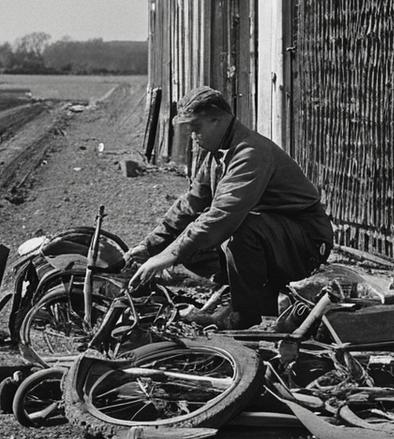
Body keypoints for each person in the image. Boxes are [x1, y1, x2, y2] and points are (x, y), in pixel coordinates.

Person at [125, 86, 334, 329]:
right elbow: (190, 204)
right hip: (275, 238)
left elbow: (222, 217)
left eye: (196, 126)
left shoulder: (251, 153)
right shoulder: (217, 154)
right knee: (192, 239)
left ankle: (249, 319)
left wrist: (166, 257)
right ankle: (247, 292)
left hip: (306, 245)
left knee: (236, 229)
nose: (192, 135)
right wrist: (150, 247)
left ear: (217, 120)